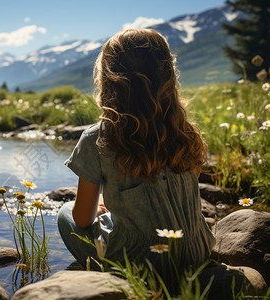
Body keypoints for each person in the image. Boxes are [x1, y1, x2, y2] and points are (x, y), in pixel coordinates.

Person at [57, 29, 216, 275]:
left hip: (137, 263)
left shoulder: (97, 138)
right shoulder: (186, 132)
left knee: (65, 213)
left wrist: (100, 207)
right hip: (198, 253)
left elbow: (81, 220)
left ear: (109, 78)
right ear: (168, 76)